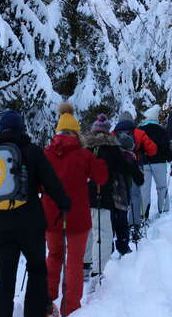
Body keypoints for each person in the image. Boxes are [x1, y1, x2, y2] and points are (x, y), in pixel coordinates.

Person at [0, 110, 71, 317]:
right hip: (30, 223)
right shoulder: (32, 151)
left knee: (4, 278)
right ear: (22, 128)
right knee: (36, 270)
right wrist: (65, 204)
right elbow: (51, 183)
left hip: (1, 225)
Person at [42, 103, 108, 316]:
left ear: (57, 132)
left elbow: (38, 184)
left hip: (51, 216)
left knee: (53, 256)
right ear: (76, 133)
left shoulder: (46, 154)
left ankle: (47, 303)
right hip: (77, 217)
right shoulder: (83, 155)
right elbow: (102, 177)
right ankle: (71, 309)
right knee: (74, 262)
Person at [83, 114, 144, 286]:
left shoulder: (85, 150)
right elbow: (127, 168)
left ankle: (85, 265)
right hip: (104, 197)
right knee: (103, 233)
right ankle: (97, 271)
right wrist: (138, 176)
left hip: (85, 198)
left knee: (90, 232)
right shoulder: (112, 150)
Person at [113, 111, 157, 238]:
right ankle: (134, 226)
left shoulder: (113, 134)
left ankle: (119, 226)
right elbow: (153, 149)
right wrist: (141, 150)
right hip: (134, 167)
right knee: (135, 195)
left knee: (119, 197)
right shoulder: (138, 133)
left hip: (118, 170)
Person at [138, 105, 172, 216]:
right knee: (162, 187)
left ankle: (143, 215)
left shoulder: (140, 130)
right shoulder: (161, 130)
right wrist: (170, 158)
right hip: (159, 162)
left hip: (144, 162)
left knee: (144, 189)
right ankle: (164, 210)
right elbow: (165, 147)